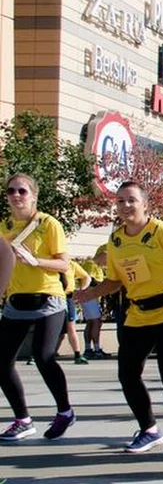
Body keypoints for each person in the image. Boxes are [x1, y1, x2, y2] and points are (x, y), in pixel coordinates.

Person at [75, 181, 163, 456]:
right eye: (120, 201)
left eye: (131, 200)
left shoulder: (162, 232)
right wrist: (91, 293)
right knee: (128, 373)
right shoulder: (116, 240)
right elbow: (115, 281)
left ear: (145, 204)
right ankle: (149, 430)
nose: (125, 205)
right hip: (139, 313)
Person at [0, 174, 77, 441]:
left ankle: (65, 411)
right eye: (11, 191)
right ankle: (23, 420)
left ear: (33, 195)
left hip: (47, 298)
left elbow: (64, 264)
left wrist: (35, 261)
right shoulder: (4, 226)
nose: (16, 195)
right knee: (2, 361)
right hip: (15, 301)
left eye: (22, 191)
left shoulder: (48, 224)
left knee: (43, 356)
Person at [79, 254, 108, 359]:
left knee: (91, 322)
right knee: (96, 321)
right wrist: (105, 284)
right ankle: (96, 349)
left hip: (92, 297)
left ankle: (89, 349)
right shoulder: (91, 264)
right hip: (89, 297)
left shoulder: (98, 266)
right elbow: (90, 280)